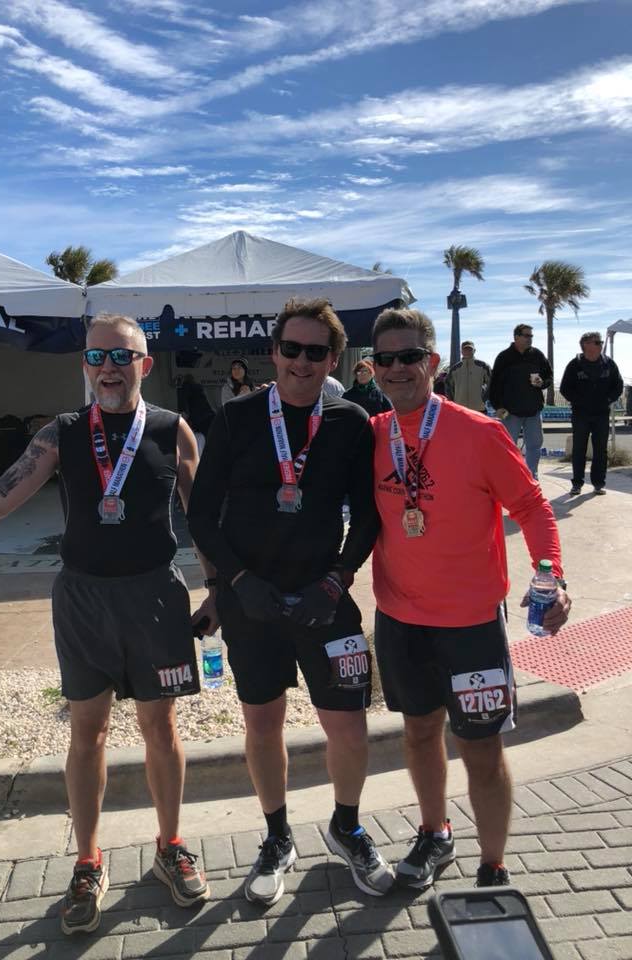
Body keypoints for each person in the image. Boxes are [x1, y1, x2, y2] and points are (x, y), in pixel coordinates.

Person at [0, 314, 217, 934]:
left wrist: (218, 588)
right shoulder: (62, 433)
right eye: (97, 356)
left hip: (155, 597)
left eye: (121, 356)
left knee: (161, 728)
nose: (108, 367)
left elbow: (203, 515)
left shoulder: (172, 429)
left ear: (145, 365)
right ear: (85, 365)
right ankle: (87, 860)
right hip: (82, 599)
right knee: (88, 732)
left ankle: (170, 846)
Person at [188, 298, 393, 905]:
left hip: (323, 600)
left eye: (316, 352)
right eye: (291, 348)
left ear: (334, 359)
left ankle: (346, 827)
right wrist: (235, 581)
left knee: (349, 727)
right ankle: (277, 838)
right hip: (251, 601)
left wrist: (338, 578)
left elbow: (369, 517)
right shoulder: (237, 416)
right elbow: (201, 515)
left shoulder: (351, 421)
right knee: (262, 723)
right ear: (274, 352)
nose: (302, 361)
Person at [370, 308, 571, 891]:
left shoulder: (480, 433)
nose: (398, 368)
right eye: (385, 358)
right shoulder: (371, 434)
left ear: (432, 362)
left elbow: (532, 506)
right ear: (373, 368)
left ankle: (493, 866)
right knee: (418, 734)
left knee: (480, 749)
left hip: (471, 624)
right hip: (399, 619)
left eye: (410, 356)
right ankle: (435, 833)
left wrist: (552, 576)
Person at [560, 332, 624, 496]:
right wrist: (580, 401)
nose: (600, 344)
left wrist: (608, 399)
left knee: (600, 450)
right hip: (580, 414)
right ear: (586, 345)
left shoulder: (608, 364)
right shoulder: (575, 365)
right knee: (579, 449)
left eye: (600, 342)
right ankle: (577, 484)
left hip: (601, 414)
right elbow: (565, 389)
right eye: (597, 342)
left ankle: (598, 484)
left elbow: (618, 385)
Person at [488, 324, 553, 479]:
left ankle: (531, 477)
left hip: (533, 410)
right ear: (516, 337)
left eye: (531, 336)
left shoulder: (537, 355)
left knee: (534, 446)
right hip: (510, 412)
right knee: (508, 446)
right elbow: (494, 384)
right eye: (526, 335)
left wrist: (542, 383)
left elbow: (549, 376)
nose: (530, 339)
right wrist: (498, 406)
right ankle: (510, 477)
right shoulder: (504, 357)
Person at [445, 341, 491, 413]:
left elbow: (492, 383)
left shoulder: (483, 366)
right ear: (461, 351)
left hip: (479, 408)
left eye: (470, 349)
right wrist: (452, 401)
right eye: (465, 349)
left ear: (474, 351)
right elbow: (448, 386)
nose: (467, 351)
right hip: (460, 408)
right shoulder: (455, 369)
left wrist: (484, 398)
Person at [177, 374, 215, 454]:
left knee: (200, 441)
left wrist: (184, 419)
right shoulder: (199, 388)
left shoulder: (184, 389)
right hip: (209, 416)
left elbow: (183, 406)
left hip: (198, 419)